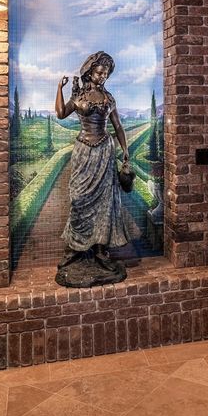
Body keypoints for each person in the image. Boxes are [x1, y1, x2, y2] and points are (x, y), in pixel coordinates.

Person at [55, 51, 137, 278]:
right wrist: (59, 88)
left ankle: (101, 251)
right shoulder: (79, 95)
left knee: (105, 202)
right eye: (100, 72)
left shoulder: (109, 98)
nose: (103, 77)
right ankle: (75, 248)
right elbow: (61, 113)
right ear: (90, 72)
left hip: (105, 151)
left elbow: (118, 126)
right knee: (78, 198)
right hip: (83, 151)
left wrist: (125, 150)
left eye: (106, 74)